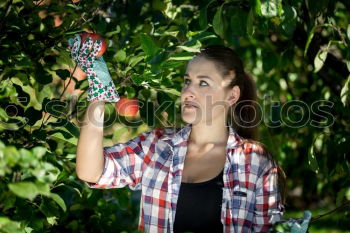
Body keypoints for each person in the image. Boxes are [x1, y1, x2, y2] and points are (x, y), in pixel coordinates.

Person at [70, 35, 287, 233]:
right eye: (187, 81)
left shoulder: (254, 161)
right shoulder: (156, 146)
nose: (188, 91)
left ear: (232, 96)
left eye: (203, 82)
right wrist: (98, 94)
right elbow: (92, 171)